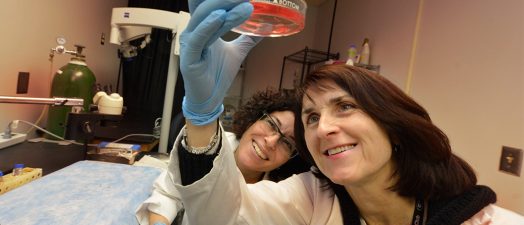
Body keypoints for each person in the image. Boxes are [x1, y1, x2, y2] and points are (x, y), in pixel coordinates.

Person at [164, 0, 524, 224]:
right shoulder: (312, 198)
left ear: (392, 125)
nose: (324, 129)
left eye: (346, 107)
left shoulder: (489, 220)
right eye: (312, 118)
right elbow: (220, 218)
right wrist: (202, 115)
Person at [135, 89, 309, 225]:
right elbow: (168, 194)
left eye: (287, 143)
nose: (271, 142)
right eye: (271, 124)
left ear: (290, 159)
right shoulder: (210, 144)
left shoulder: (279, 198)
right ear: (254, 119)